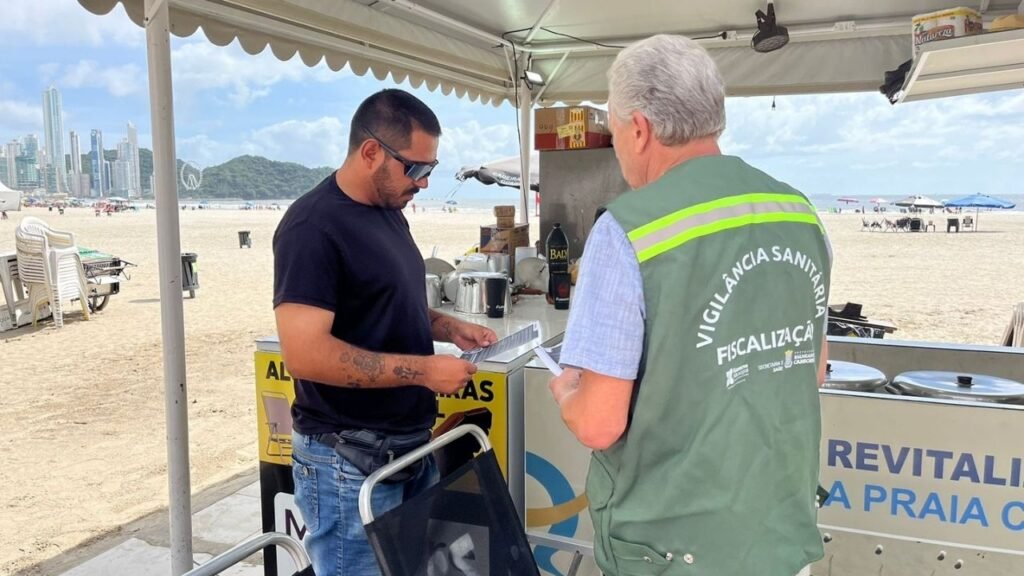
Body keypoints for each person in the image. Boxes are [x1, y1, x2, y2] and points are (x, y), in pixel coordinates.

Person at [548, 35, 831, 576]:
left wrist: (567, 393)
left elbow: (598, 424)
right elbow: (809, 370)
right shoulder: (798, 212)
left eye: (613, 129)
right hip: (777, 532)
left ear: (640, 129)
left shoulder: (627, 230)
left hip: (674, 549)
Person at [273, 88, 497, 576]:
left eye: (430, 170)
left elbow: (386, 305)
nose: (423, 182)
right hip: (347, 461)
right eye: (415, 168)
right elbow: (306, 355)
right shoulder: (312, 227)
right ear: (371, 150)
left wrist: (446, 326)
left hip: (407, 449)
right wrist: (423, 372)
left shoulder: (389, 211)